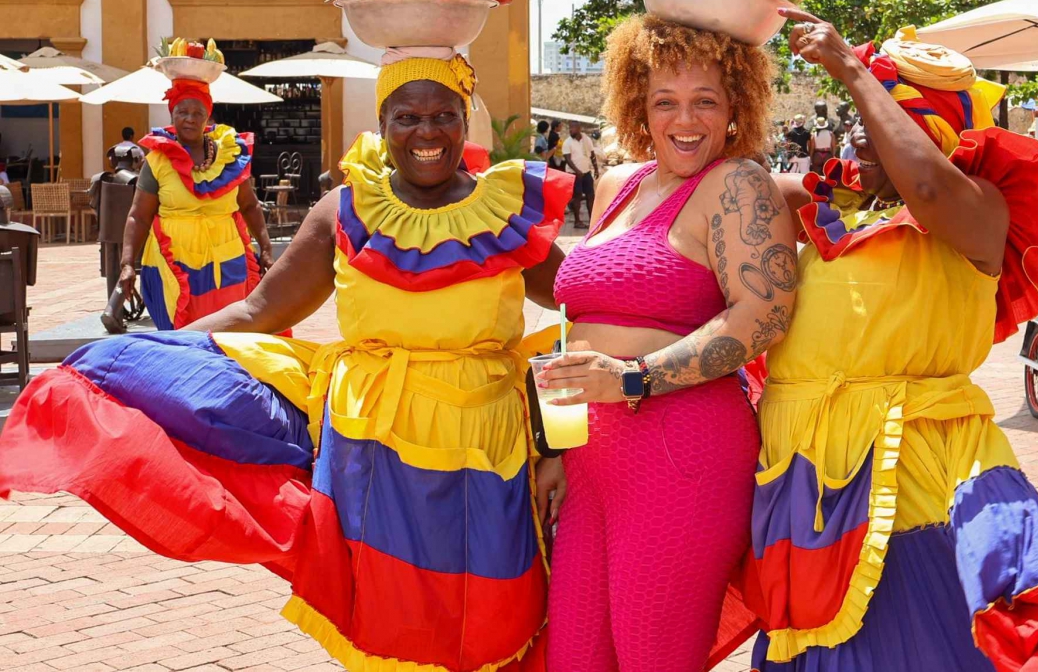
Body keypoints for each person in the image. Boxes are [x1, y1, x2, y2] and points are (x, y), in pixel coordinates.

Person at [0, 46, 573, 672]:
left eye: (444, 114)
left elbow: (590, 304)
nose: (427, 131)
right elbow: (258, 312)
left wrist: (567, 441)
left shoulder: (507, 211)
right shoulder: (346, 212)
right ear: (382, 125)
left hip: (489, 444)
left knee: (489, 617)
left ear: (466, 120)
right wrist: (131, 351)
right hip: (372, 447)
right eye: (406, 117)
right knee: (388, 620)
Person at [741, 18, 1038, 672]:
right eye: (856, 110)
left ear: (924, 132)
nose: (855, 128)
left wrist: (853, 67)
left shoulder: (979, 210)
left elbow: (927, 186)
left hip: (923, 485)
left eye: (875, 109)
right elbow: (727, 188)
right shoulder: (836, 209)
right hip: (813, 479)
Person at [536, 13, 797, 672]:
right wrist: (556, 449)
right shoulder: (615, 185)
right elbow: (585, 320)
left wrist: (632, 377)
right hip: (589, 466)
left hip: (681, 457)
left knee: (655, 659)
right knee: (574, 659)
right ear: (638, 106)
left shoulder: (737, 184)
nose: (686, 119)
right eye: (666, 101)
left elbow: (763, 314)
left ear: (736, 105)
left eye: (705, 100)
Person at [113, 77, 275, 329]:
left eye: (197, 112)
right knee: (180, 338)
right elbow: (139, 216)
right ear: (172, 114)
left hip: (227, 261)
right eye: (182, 112)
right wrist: (126, 264)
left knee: (228, 333)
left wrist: (265, 248)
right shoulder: (157, 161)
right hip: (173, 264)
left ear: (208, 117)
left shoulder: (230, 156)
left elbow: (249, 205)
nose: (189, 118)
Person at [561, 120, 599, 228]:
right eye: (569, 128)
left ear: (579, 129)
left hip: (586, 172)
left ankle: (593, 220)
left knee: (590, 196)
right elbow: (568, 159)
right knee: (577, 197)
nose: (570, 130)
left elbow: (592, 155)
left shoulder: (586, 140)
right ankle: (577, 221)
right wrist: (577, 171)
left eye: (572, 128)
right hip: (574, 174)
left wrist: (596, 169)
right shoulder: (567, 143)